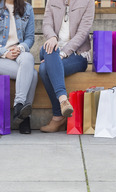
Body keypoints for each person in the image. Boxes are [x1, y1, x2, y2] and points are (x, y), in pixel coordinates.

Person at [0, 0, 38, 134]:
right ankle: (24, 119)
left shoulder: (27, 8)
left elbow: (30, 38)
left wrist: (20, 48)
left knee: (28, 58)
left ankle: (19, 106)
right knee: (33, 75)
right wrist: (5, 53)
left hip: (18, 54)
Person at [39, 0, 95, 132]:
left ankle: (58, 117)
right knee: (50, 48)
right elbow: (46, 23)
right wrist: (52, 37)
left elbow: (83, 33)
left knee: (44, 68)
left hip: (77, 54)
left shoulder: (88, 1)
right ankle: (63, 100)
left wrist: (63, 53)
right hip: (52, 49)